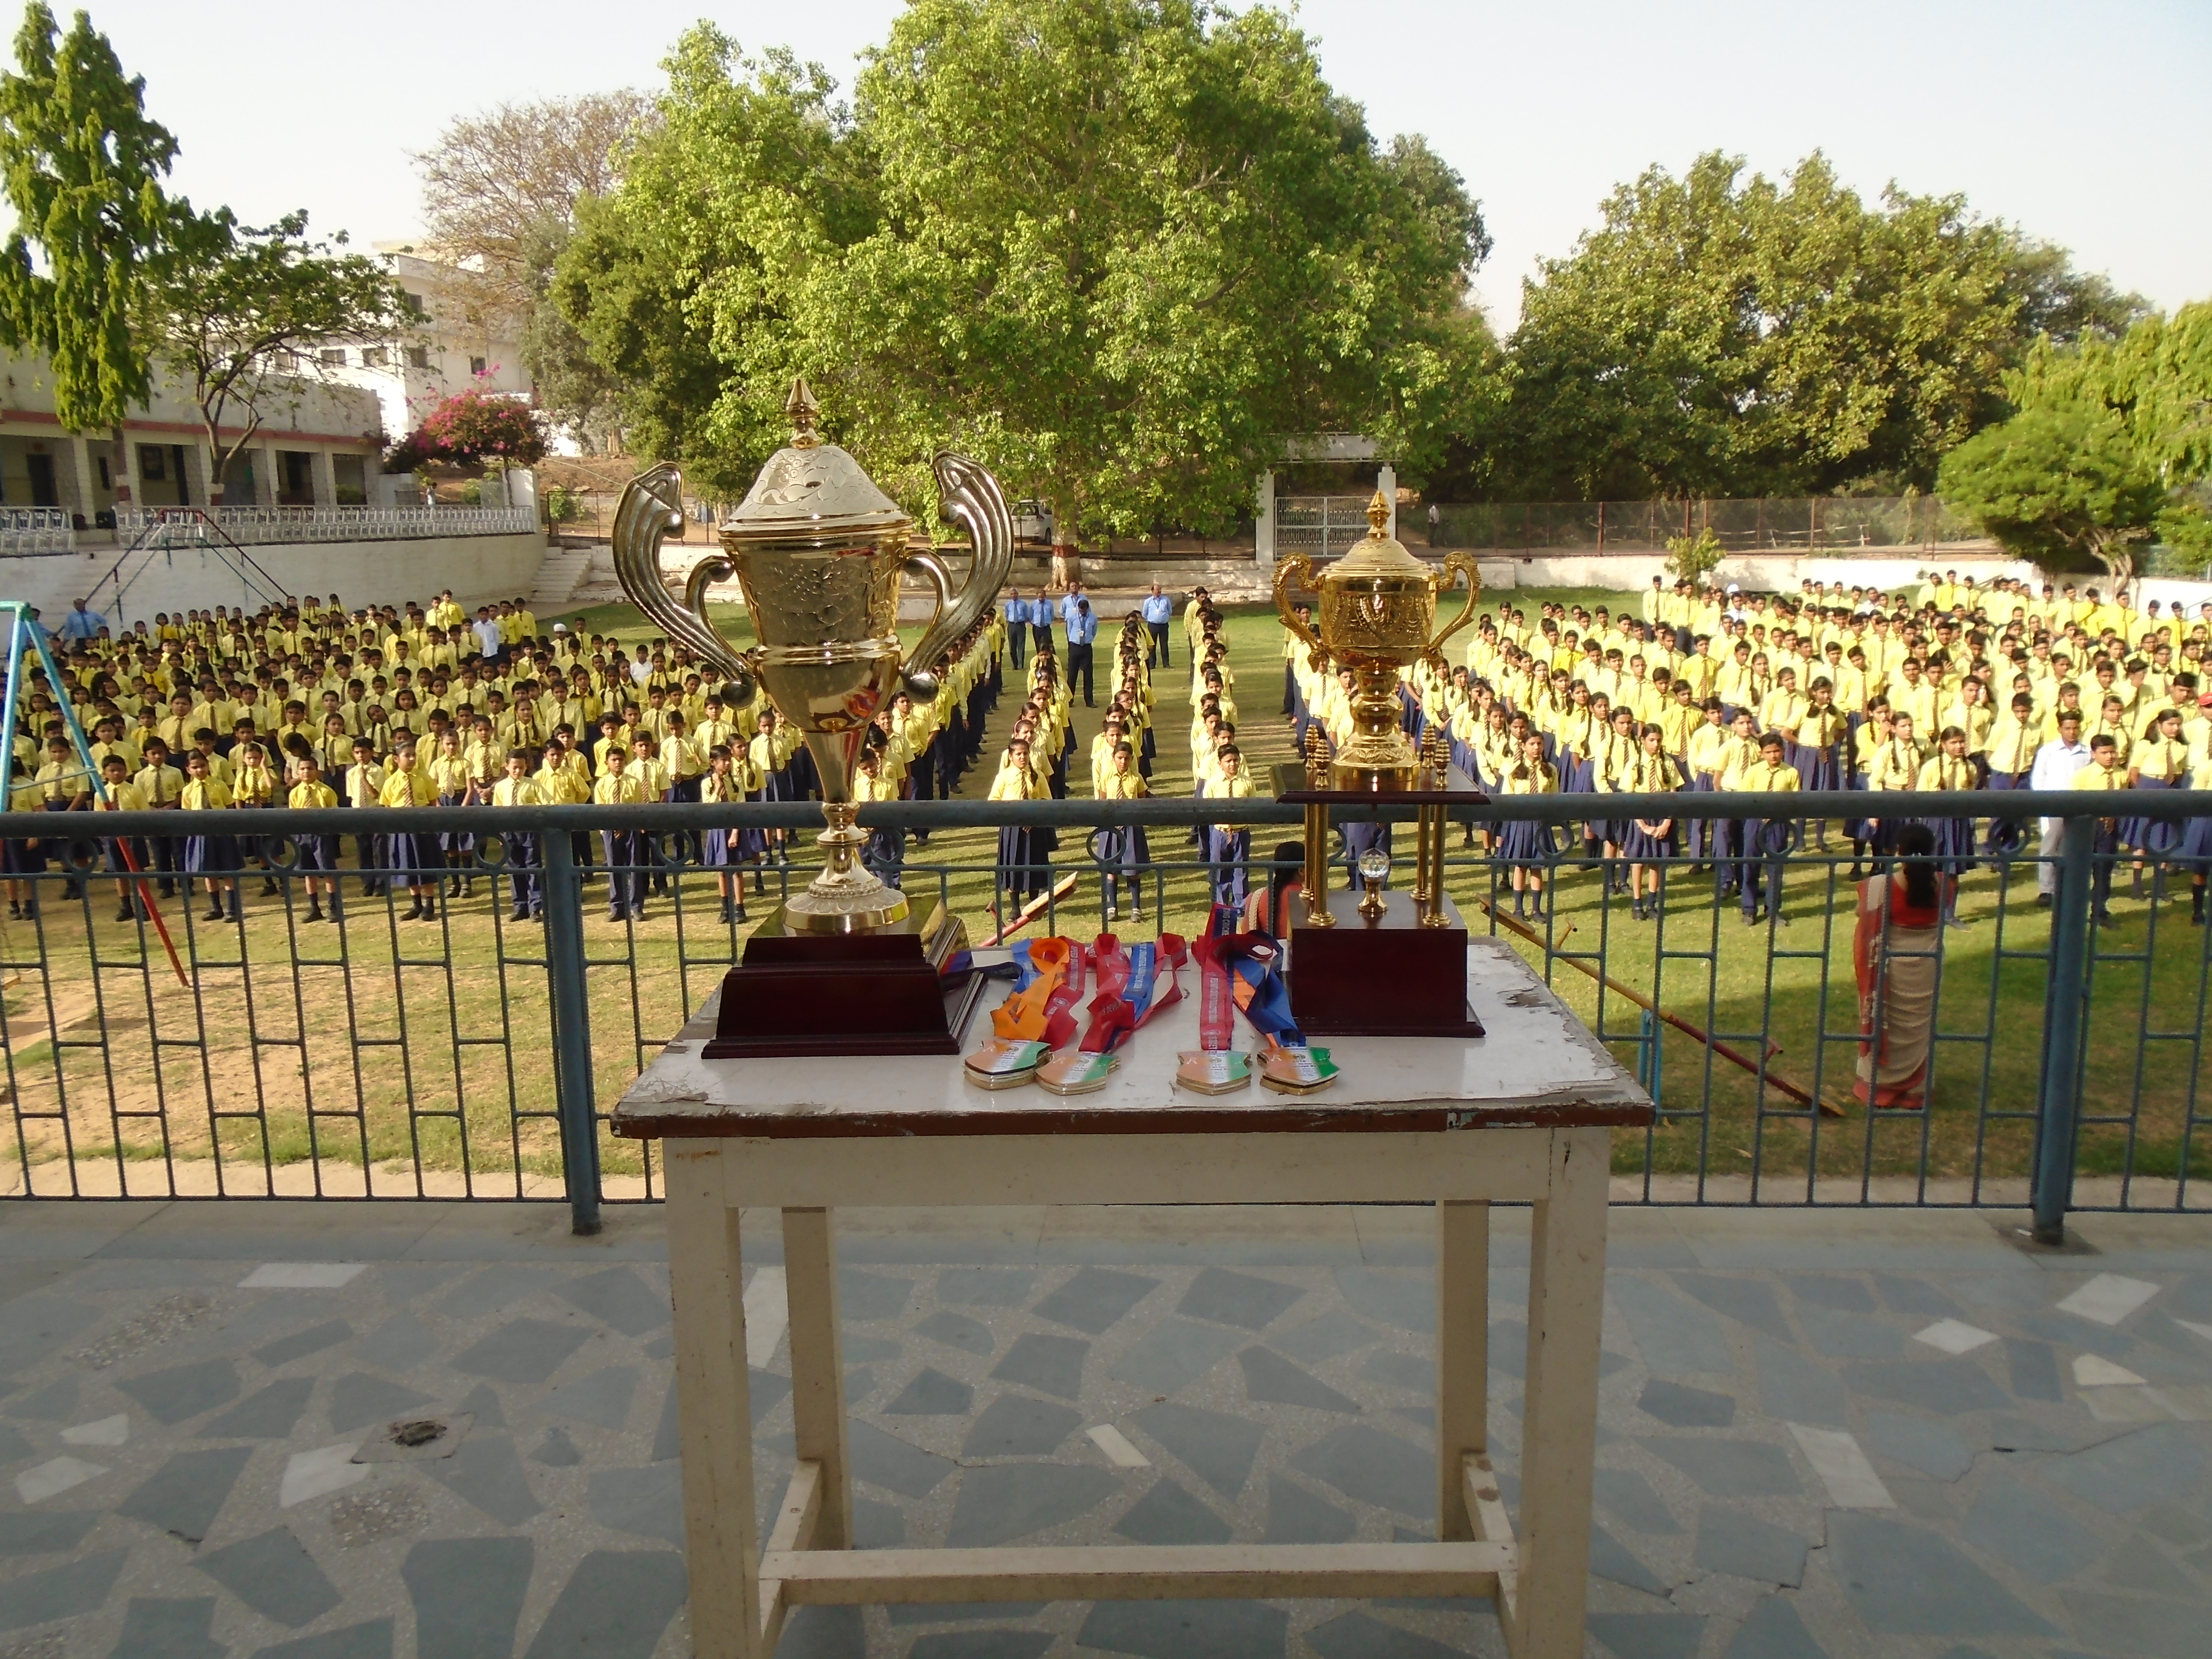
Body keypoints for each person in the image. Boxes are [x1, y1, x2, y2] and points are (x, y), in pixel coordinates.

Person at [1852, 822, 1948, 1110]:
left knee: (1886, 1021)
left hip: (1888, 968)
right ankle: (1915, 1090)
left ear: (1898, 850)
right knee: (1920, 1027)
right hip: (1927, 966)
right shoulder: (1945, 884)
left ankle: (1879, 1087)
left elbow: (1862, 914)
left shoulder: (1879, 886)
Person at [2028, 710, 2092, 907]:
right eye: (2068, 728)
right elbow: (2039, 779)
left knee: (2071, 847)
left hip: (2077, 807)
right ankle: (2046, 889)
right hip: (2052, 805)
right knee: (2049, 848)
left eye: (2075, 728)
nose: (2072, 732)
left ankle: (2068, 888)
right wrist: (2044, 803)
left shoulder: (2086, 752)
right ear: (2060, 729)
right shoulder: (2048, 752)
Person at [1495, 730, 1559, 918]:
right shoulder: (1514, 770)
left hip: (1541, 822)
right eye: (1532, 744)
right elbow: (1507, 798)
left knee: (1537, 866)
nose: (1536, 748)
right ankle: (1519, 908)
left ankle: (1537, 909)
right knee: (1521, 865)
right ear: (1523, 746)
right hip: (1521, 823)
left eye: (1539, 744)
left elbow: (1555, 796)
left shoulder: (1550, 770)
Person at [377, 742, 442, 922]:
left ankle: (430, 904)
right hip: (402, 831)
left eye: (414, 755)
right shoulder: (391, 782)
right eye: (408, 755)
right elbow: (387, 807)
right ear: (397, 759)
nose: (412, 759)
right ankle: (416, 904)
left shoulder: (424, 778)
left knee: (426, 865)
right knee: (409, 866)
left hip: (423, 829)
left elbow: (434, 802)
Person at [2071, 734, 2129, 926]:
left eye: (2113, 752)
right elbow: (2074, 805)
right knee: (2080, 869)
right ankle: (2074, 910)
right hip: (2088, 827)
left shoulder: (2122, 774)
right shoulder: (2083, 776)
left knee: (2104, 869)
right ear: (2093, 754)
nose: (2110, 757)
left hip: (2110, 828)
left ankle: (2100, 909)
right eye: (2105, 753)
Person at [179, 747, 241, 923]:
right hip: (201, 835)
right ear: (188, 770)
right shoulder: (188, 790)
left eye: (203, 766)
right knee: (208, 872)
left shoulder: (219, 785)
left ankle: (233, 908)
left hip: (221, 833)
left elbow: (229, 807)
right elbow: (187, 814)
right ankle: (216, 908)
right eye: (195, 767)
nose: (200, 770)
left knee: (228, 870)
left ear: (208, 766)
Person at [592, 744, 649, 923]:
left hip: (631, 829)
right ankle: (617, 906)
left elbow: (639, 807)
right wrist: (611, 828)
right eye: (614, 760)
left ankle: (636, 906)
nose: (617, 763)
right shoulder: (602, 784)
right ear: (607, 763)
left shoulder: (634, 782)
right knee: (614, 868)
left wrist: (627, 825)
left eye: (620, 760)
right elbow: (600, 811)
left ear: (625, 761)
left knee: (634, 867)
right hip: (610, 831)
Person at [488, 748, 543, 922]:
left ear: (526, 767)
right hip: (510, 832)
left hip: (529, 831)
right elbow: (497, 810)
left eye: (521, 767)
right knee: (515, 868)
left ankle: (536, 907)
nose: (518, 771)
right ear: (507, 767)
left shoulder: (533, 785)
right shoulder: (501, 787)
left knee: (533, 868)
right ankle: (520, 907)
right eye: (514, 768)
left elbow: (546, 804)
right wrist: (500, 833)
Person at [287, 754, 341, 922]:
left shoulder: (326, 791)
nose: (306, 772)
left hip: (321, 835)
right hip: (303, 836)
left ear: (317, 771)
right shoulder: (295, 793)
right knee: (308, 872)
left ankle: (333, 907)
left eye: (310, 768)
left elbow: (334, 814)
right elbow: (293, 815)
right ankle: (314, 907)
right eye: (303, 769)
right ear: (297, 772)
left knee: (327, 871)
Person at [1065, 596, 1097, 707]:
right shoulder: (1072, 617)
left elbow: (1094, 631)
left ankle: (1089, 700)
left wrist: (1088, 639)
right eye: (1081, 610)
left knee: (1088, 674)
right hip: (1075, 647)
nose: (1083, 612)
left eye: (1085, 610)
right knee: (1072, 674)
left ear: (1088, 609)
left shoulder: (1093, 618)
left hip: (1087, 647)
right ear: (1079, 609)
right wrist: (1074, 640)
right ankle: (1069, 699)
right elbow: (1069, 631)